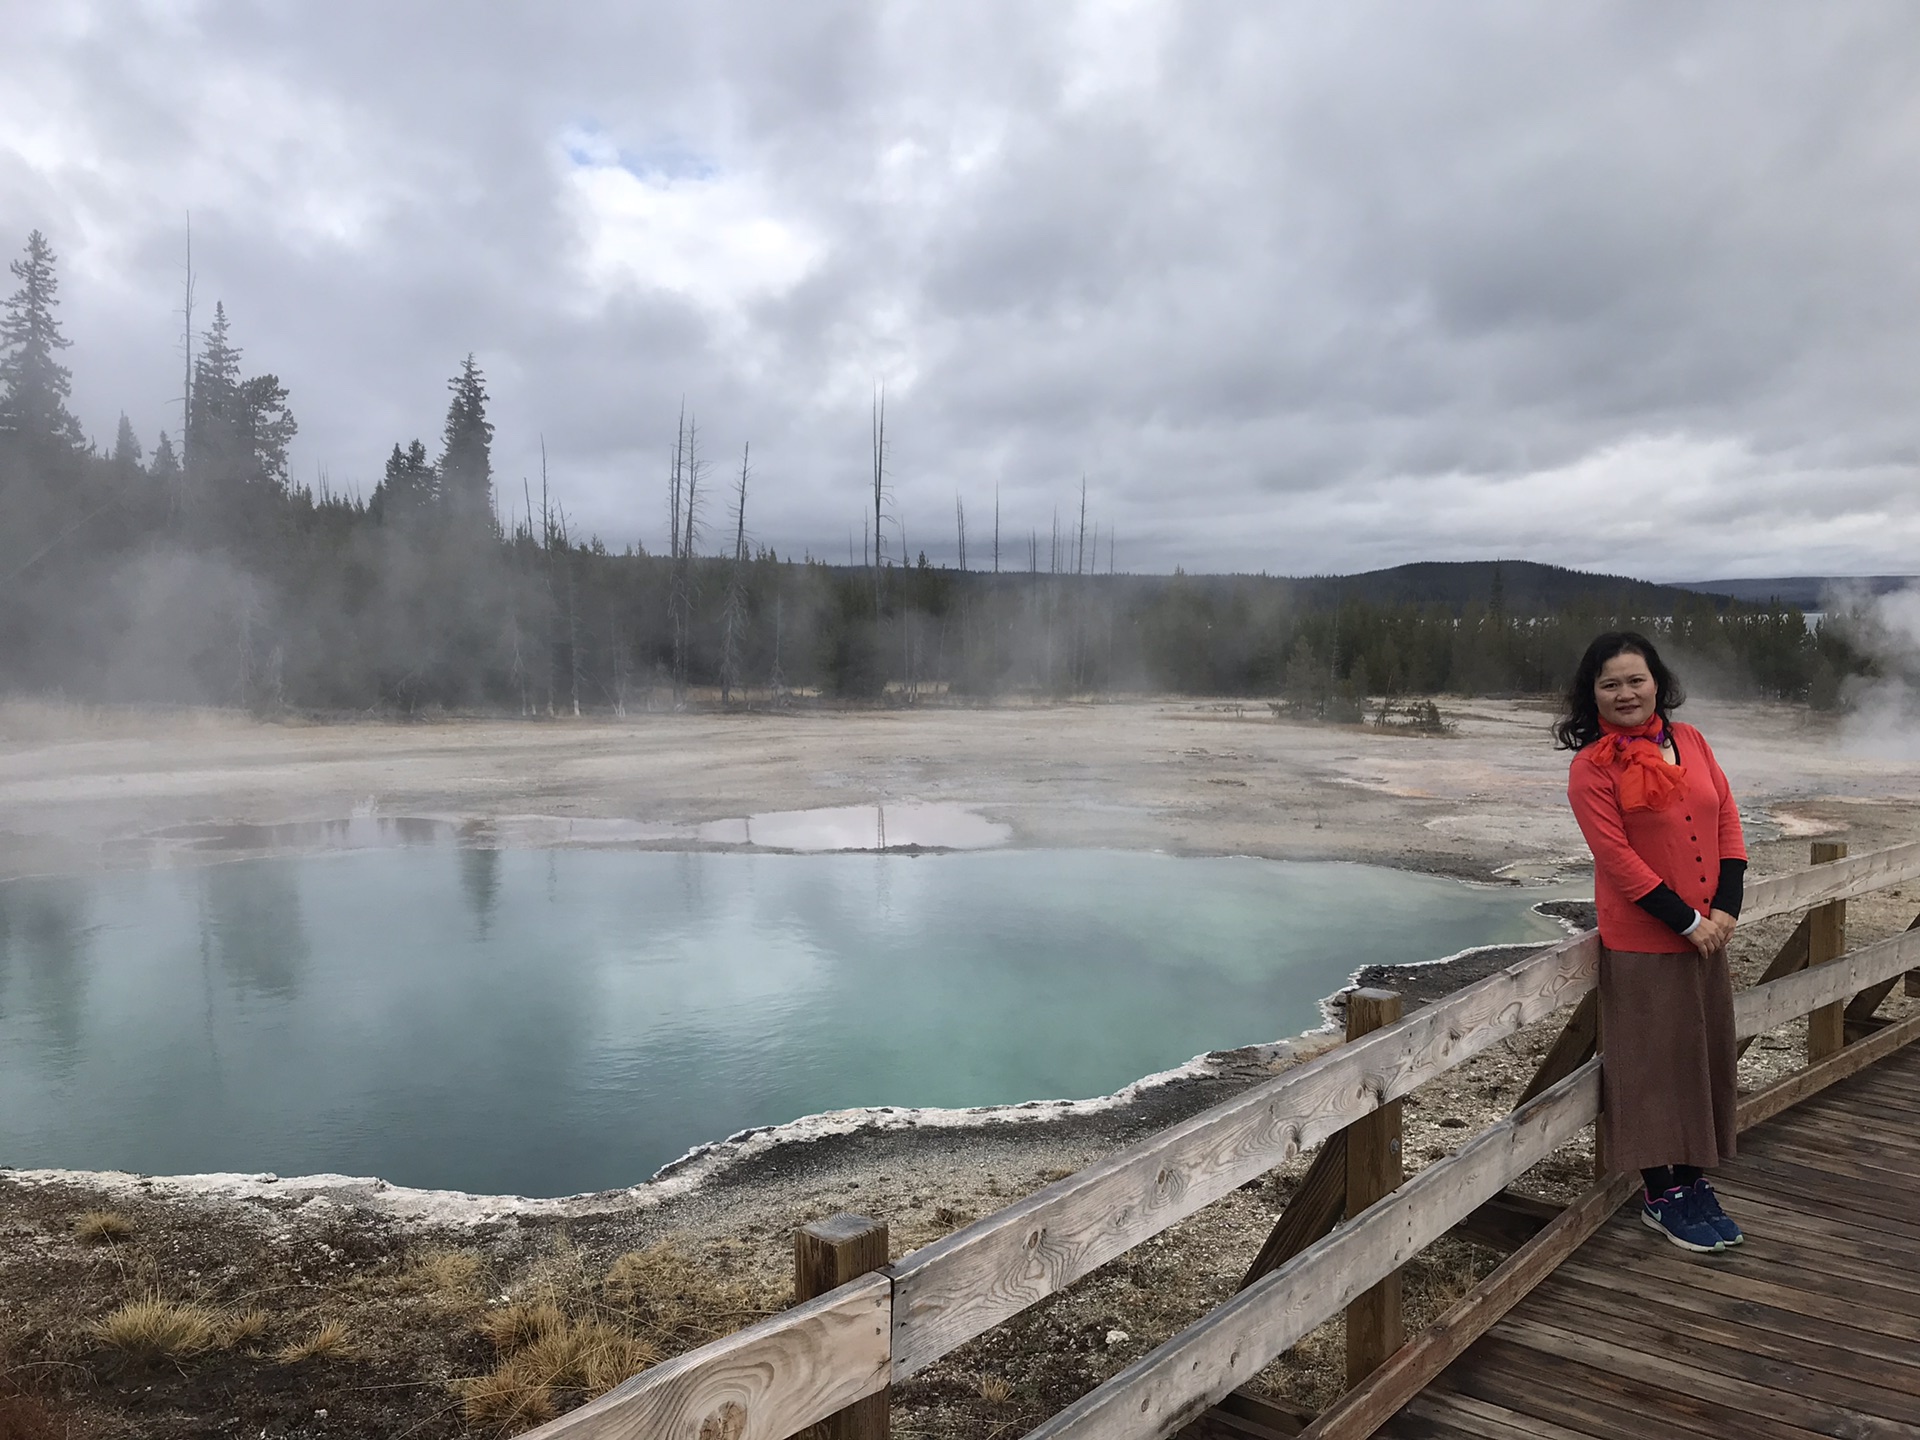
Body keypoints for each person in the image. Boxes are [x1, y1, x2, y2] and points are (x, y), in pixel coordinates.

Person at [1557, 631, 1747, 1253]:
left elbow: (1725, 818)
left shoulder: (1689, 742)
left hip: (1708, 933)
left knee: (1703, 1055)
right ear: (1593, 696)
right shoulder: (1592, 768)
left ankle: (1694, 1180)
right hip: (1646, 939)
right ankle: (1660, 1192)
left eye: (1635, 679)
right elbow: (1617, 860)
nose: (1625, 693)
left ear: (1657, 682)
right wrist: (1689, 922)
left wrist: (1726, 909)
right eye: (1609, 684)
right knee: (1650, 1067)